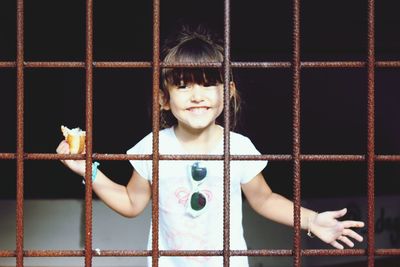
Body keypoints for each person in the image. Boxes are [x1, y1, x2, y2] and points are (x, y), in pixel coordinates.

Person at [56, 25, 364, 267]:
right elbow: (131, 203)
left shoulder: (238, 146)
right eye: (183, 85)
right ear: (163, 98)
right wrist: (88, 170)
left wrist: (311, 220)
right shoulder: (153, 145)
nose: (197, 95)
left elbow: (264, 199)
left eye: (207, 83)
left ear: (227, 92)